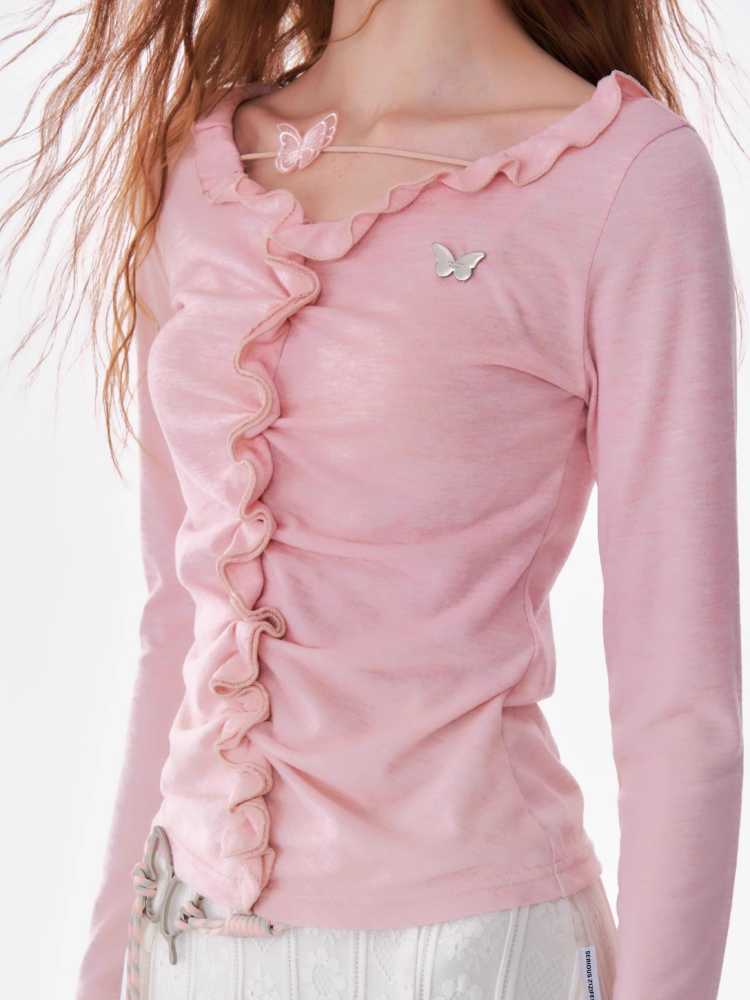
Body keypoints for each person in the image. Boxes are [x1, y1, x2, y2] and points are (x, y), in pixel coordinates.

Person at [0, 1, 743, 998]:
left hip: (477, 954)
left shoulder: (626, 179)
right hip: (188, 943)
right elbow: (179, 623)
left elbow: (683, 711)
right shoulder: (202, 165)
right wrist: (105, 976)